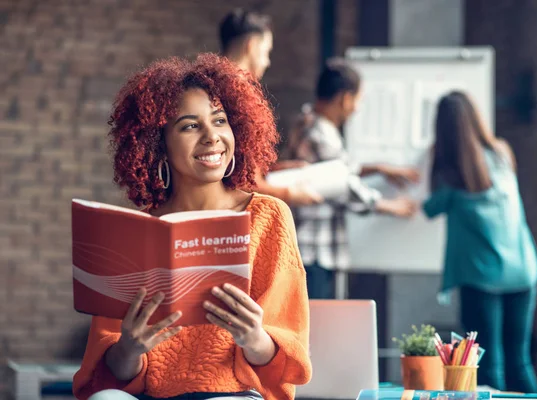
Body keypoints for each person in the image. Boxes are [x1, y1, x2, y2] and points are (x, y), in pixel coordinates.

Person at [72, 54, 311, 400]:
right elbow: (109, 374)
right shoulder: (137, 230)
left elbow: (284, 362)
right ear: (158, 143)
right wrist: (129, 348)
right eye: (189, 125)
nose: (212, 137)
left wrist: (253, 337)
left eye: (220, 120)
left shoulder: (268, 216)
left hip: (234, 395)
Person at [422, 91, 537, 393]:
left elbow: (428, 208)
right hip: (523, 270)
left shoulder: (452, 176)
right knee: (520, 361)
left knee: (489, 364)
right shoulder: (502, 154)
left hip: (481, 277)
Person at [286, 58, 420, 299]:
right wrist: (389, 206)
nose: (357, 108)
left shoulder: (311, 124)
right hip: (314, 250)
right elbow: (342, 184)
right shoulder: (319, 132)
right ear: (345, 98)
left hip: (316, 250)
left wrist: (380, 169)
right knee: (315, 328)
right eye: (358, 100)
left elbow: (338, 168)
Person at [218, 8, 322, 207]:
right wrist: (289, 194)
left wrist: (275, 170)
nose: (267, 62)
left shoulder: (206, 85)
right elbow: (244, 184)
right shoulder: (238, 93)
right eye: (266, 52)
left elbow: (234, 167)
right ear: (252, 45)